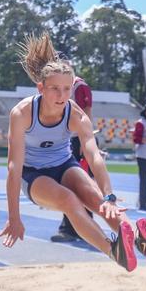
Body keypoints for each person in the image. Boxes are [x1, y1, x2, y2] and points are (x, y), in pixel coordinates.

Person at [0, 32, 146, 272]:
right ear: (41, 88)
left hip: (65, 164)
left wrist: (109, 194)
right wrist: (14, 216)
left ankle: (138, 235)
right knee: (69, 200)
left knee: (96, 198)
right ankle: (113, 250)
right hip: (32, 174)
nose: (61, 96)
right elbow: (14, 167)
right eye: (55, 89)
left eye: (67, 89)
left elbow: (93, 154)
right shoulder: (22, 113)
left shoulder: (75, 114)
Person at [51, 69, 96, 242]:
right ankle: (78, 228)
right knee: (69, 185)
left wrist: (86, 140)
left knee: (80, 185)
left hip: (78, 140)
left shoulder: (79, 85)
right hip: (68, 140)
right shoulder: (60, 85)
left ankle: (79, 229)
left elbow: (87, 112)